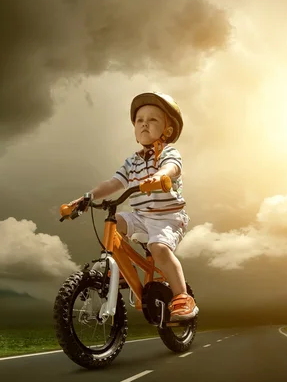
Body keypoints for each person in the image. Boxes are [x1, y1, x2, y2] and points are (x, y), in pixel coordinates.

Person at [63, 92, 198, 321]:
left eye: (153, 119)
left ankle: (182, 297)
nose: (144, 123)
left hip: (168, 217)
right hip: (141, 216)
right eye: (139, 120)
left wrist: (160, 176)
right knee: (113, 224)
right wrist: (87, 197)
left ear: (167, 130)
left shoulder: (168, 153)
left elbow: (172, 168)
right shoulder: (132, 161)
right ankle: (122, 271)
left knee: (159, 249)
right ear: (135, 130)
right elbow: (114, 183)